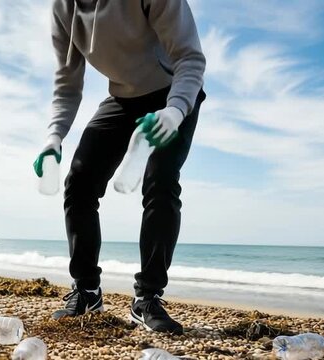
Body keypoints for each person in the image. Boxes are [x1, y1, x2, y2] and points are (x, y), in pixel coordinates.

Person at [34, 0, 206, 334]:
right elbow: (67, 82)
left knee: (161, 182)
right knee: (80, 182)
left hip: (174, 93)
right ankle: (87, 291)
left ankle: (148, 297)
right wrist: (53, 136)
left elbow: (190, 58)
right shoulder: (63, 8)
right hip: (123, 99)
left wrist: (175, 111)